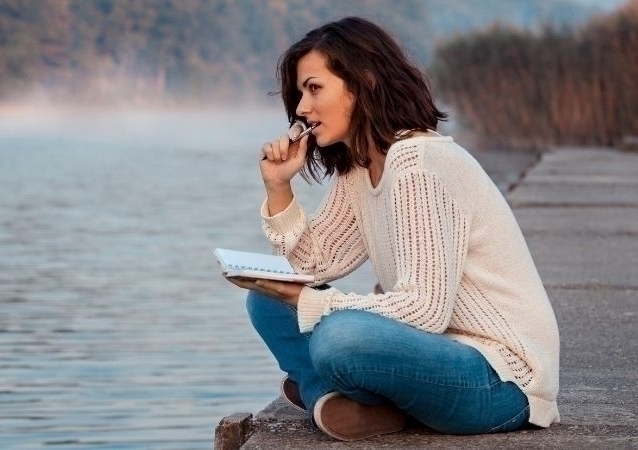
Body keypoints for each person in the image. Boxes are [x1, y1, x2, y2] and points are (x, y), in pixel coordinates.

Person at [225, 17, 560, 442]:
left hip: (500, 380)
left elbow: (425, 309)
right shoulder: (361, 168)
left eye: (314, 88)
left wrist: (312, 303)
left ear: (363, 81)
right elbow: (310, 265)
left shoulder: (417, 165)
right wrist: (278, 188)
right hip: (431, 359)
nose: (302, 109)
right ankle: (339, 401)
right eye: (299, 95)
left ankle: (325, 392)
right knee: (267, 299)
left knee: (339, 339)